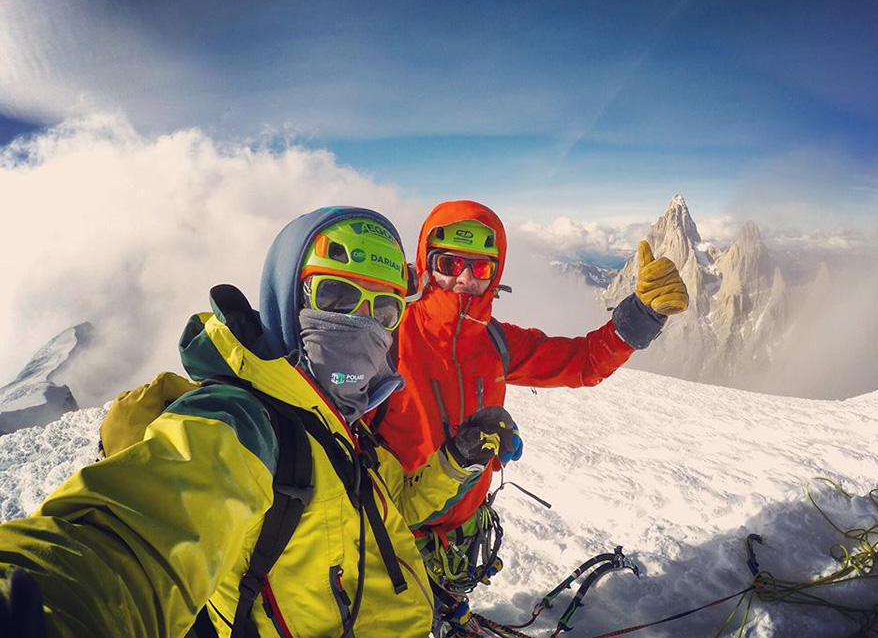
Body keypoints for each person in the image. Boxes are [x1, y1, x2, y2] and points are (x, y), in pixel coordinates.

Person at [0, 206, 518, 638]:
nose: (362, 324)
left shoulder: (342, 427)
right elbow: (136, 538)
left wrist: (456, 459)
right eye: (336, 297)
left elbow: (394, 505)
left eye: (383, 310)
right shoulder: (244, 421)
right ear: (287, 299)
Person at [370, 200, 688, 629]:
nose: (463, 279)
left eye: (480, 269)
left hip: (462, 534)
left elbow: (581, 362)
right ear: (426, 264)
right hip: (392, 535)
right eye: (449, 263)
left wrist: (642, 315)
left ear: (495, 275)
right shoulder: (384, 341)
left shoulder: (496, 343)